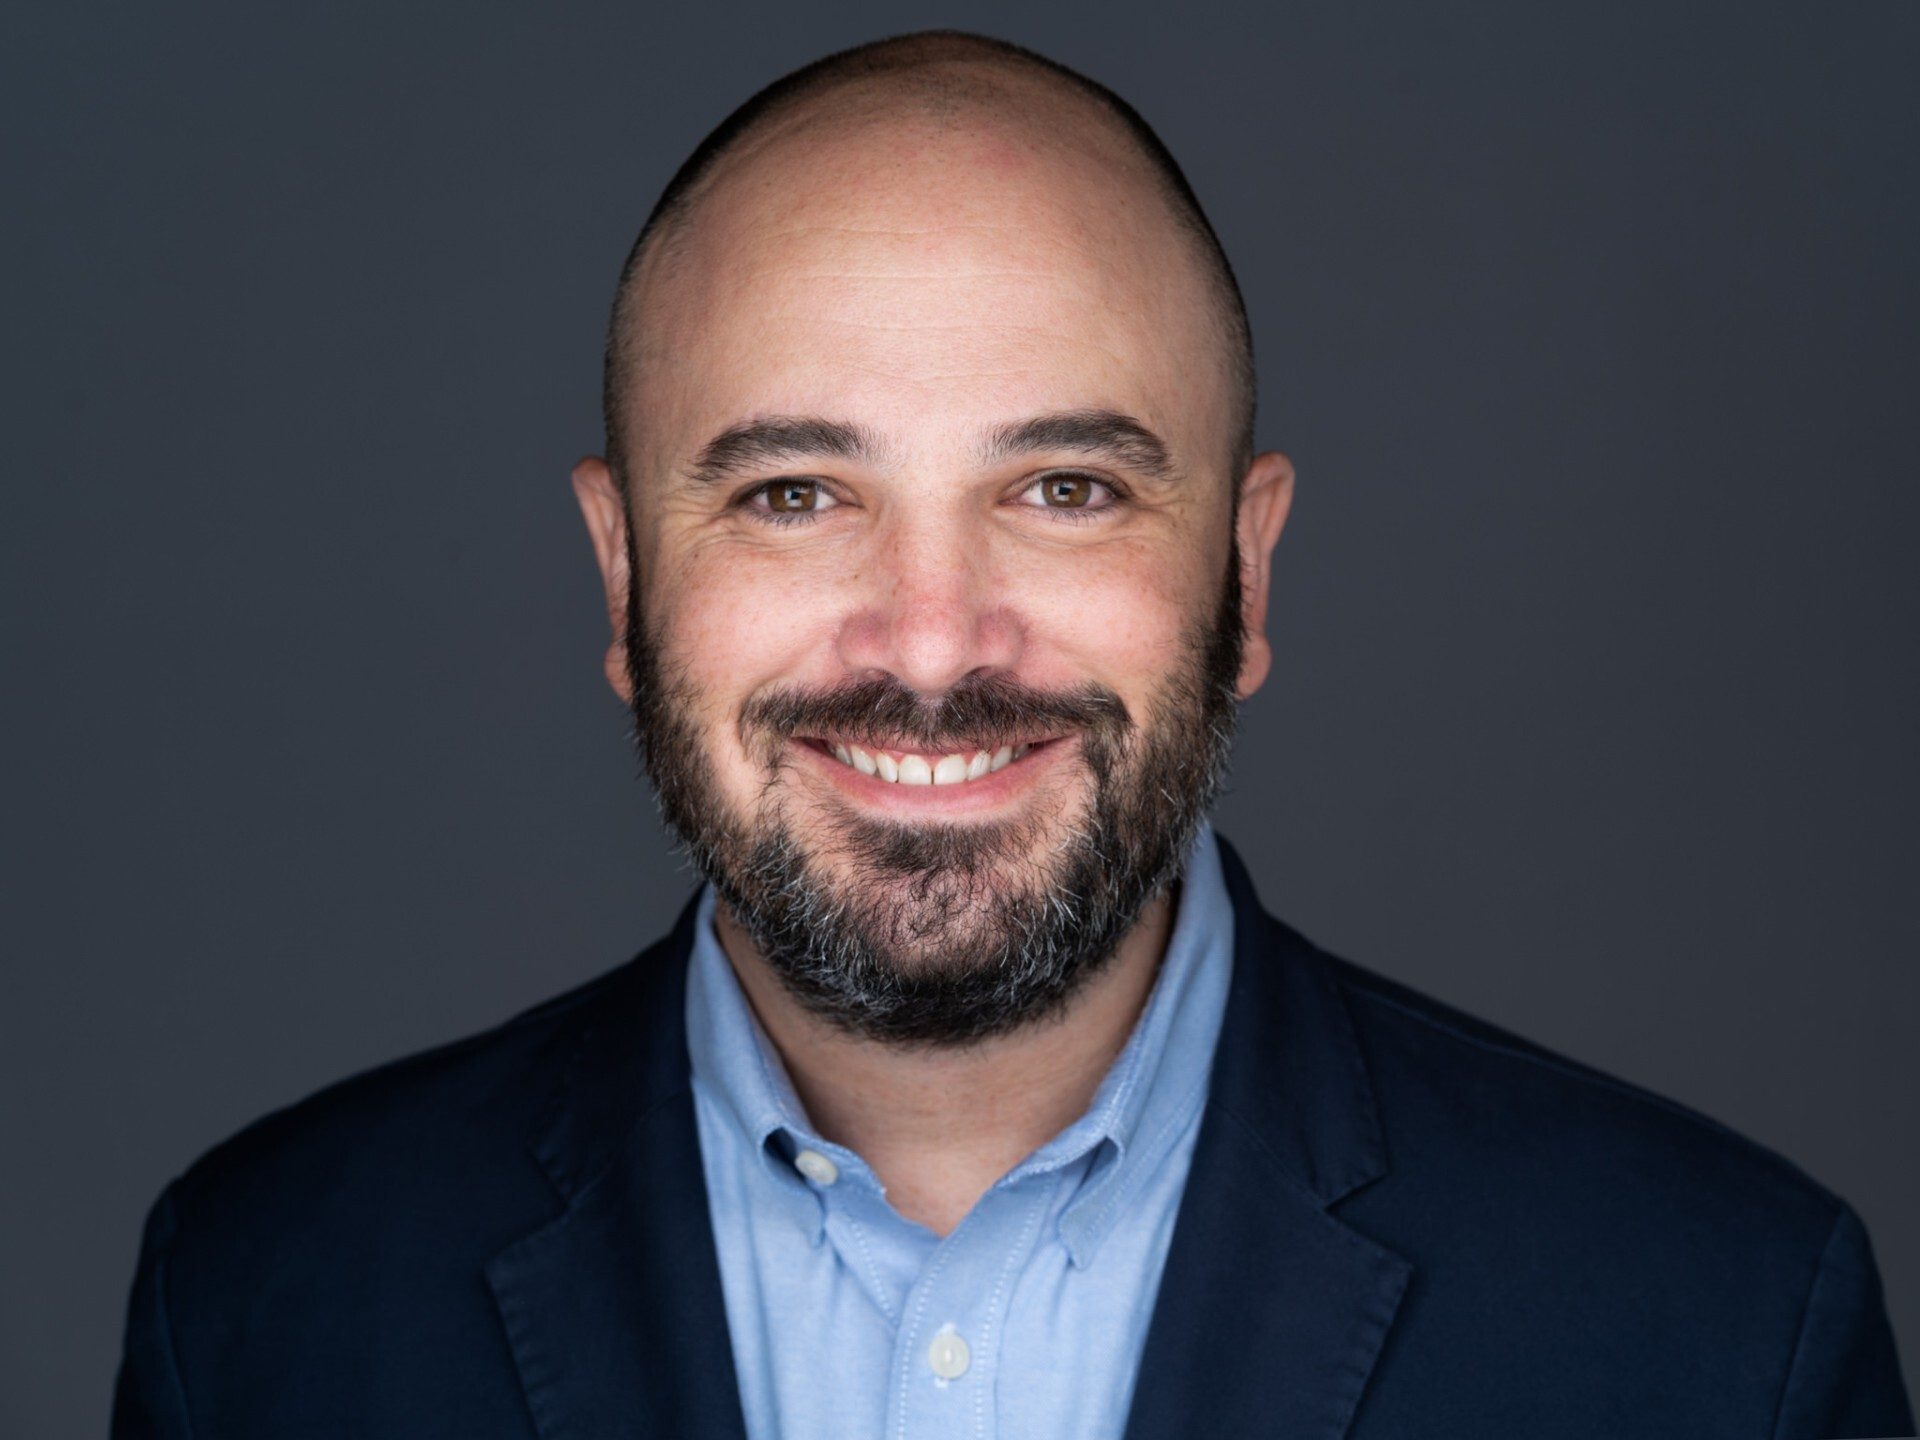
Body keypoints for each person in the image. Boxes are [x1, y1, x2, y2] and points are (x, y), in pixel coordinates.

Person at [112, 30, 1910, 1440]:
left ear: (1245, 568)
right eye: (797, 493)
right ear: (620, 572)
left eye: (1064, 487)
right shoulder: (267, 1303)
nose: (931, 644)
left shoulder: (1719, 1328)